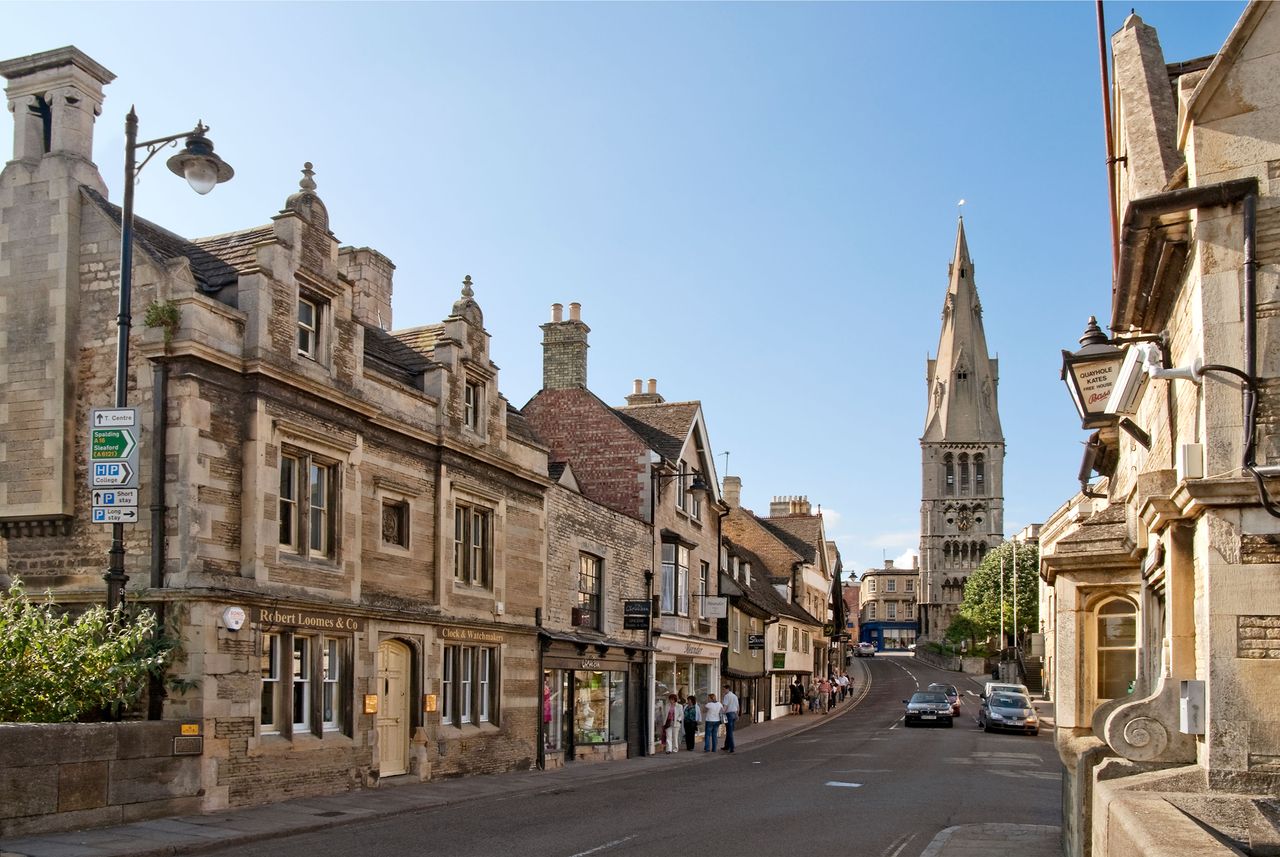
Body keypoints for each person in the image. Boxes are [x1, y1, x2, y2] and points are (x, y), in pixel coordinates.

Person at [721, 684, 739, 753]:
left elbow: (725, 706)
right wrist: (737, 715)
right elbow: (738, 706)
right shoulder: (735, 696)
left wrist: (722, 713)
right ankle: (726, 746)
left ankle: (732, 748)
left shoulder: (726, 696)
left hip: (729, 714)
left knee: (729, 732)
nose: (723, 691)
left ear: (727, 689)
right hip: (734, 714)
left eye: (724, 689)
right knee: (729, 730)